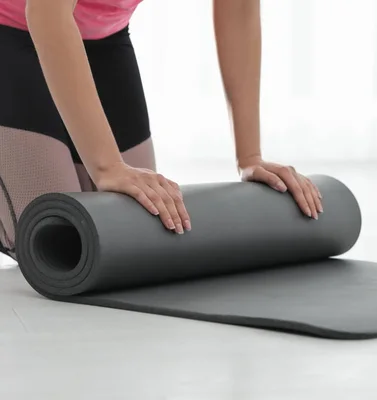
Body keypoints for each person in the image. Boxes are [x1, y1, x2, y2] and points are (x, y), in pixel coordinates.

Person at [0, 0, 323, 261]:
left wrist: (250, 156)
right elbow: (46, 12)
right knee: (54, 237)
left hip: (104, 39)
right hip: (13, 27)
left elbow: (238, 8)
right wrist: (107, 166)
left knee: (129, 233)